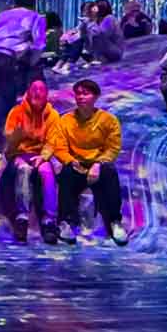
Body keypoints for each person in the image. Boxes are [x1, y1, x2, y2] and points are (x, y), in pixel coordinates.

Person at [48, 79, 128, 245]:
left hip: (98, 164)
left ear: (96, 96)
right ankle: (66, 222)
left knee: (110, 172)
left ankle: (115, 222)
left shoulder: (109, 120)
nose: (81, 97)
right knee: (66, 173)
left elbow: (113, 148)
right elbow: (59, 147)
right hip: (76, 164)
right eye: (78, 94)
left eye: (86, 93)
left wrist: (98, 164)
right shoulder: (66, 120)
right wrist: (70, 160)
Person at [0, 0, 47, 162]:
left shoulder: (3, 15)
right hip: (4, 57)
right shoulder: (36, 17)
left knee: (2, 94)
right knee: (5, 98)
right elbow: (39, 45)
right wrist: (31, 64)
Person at [1, 78, 60, 243]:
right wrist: (16, 143)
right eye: (34, 89)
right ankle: (22, 219)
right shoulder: (16, 112)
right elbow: (9, 140)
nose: (37, 93)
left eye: (41, 90)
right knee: (23, 170)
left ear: (46, 94)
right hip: (18, 154)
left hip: (41, 155)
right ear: (28, 91)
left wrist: (44, 157)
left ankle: (49, 221)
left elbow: (52, 141)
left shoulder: (53, 115)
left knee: (46, 171)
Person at [81, 0, 125, 64]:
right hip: (106, 50)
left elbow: (102, 35)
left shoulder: (109, 18)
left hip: (115, 52)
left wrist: (91, 22)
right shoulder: (97, 20)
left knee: (97, 38)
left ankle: (99, 59)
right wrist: (83, 27)